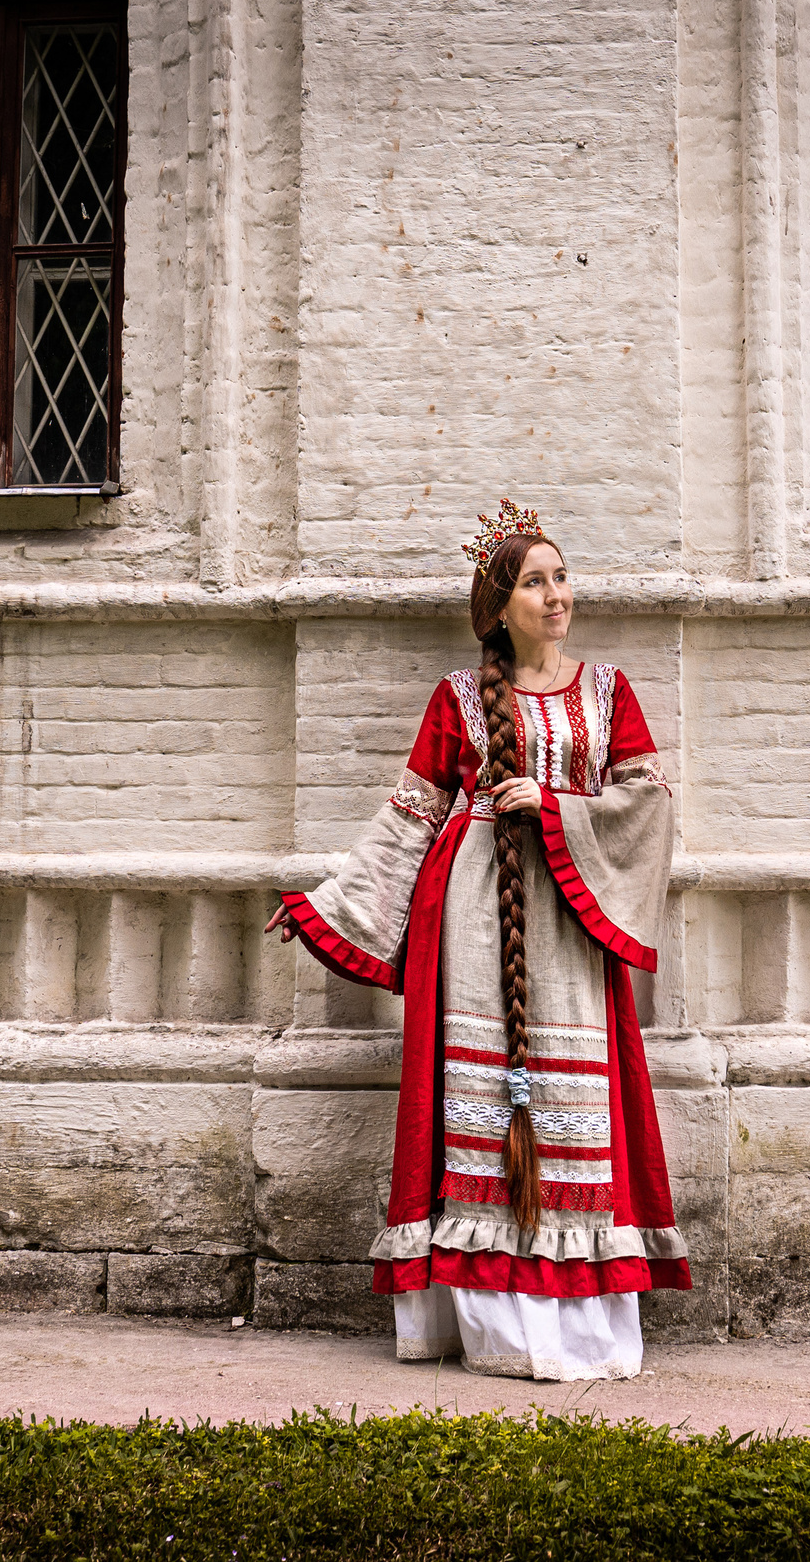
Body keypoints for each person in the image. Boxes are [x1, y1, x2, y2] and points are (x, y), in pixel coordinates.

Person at [268, 500, 688, 1380]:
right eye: (536, 581)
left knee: (573, 1107)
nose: (557, 594)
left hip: (571, 924)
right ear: (499, 606)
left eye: (562, 576)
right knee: (480, 1099)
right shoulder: (458, 699)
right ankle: (487, 1325)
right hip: (471, 920)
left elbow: (649, 803)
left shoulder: (610, 693)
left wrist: (559, 806)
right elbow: (409, 818)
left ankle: (576, 1327)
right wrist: (330, 903)